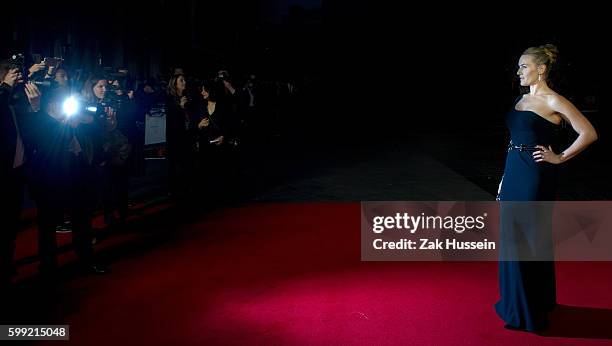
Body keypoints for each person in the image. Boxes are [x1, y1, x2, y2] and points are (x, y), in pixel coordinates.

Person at [495, 44, 598, 332]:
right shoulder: (521, 99)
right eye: (518, 67)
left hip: (534, 176)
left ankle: (528, 310)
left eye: (524, 66)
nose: (519, 72)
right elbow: (514, 139)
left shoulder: (554, 101)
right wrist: (504, 176)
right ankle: (531, 301)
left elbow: (589, 133)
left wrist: (560, 157)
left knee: (525, 240)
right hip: (515, 171)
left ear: (541, 69)